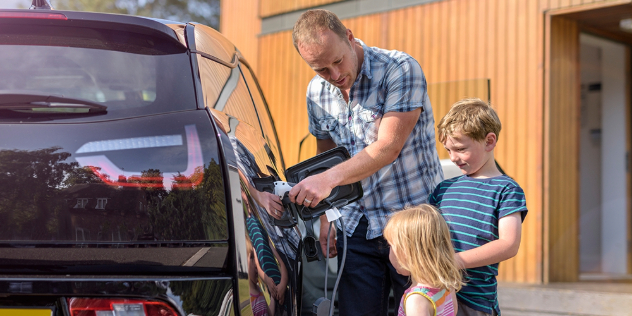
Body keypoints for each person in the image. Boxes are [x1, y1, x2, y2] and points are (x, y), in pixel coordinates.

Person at [289, 9, 444, 316]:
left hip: (412, 222)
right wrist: (325, 217)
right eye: (321, 69)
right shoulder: (316, 92)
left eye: (338, 61)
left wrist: (327, 180)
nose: (335, 75)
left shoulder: (399, 68)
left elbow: (387, 147)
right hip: (355, 225)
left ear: (349, 37)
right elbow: (326, 159)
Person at [429, 98, 528, 316]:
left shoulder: (507, 190)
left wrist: (453, 262)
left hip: (475, 302)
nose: (454, 158)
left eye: (461, 149)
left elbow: (509, 244)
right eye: (448, 150)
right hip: (437, 295)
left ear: (489, 141)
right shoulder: (443, 188)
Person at [383, 204, 463, 316]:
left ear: (408, 253)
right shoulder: (446, 282)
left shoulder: (416, 300)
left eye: (390, 245)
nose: (389, 251)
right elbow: (453, 312)